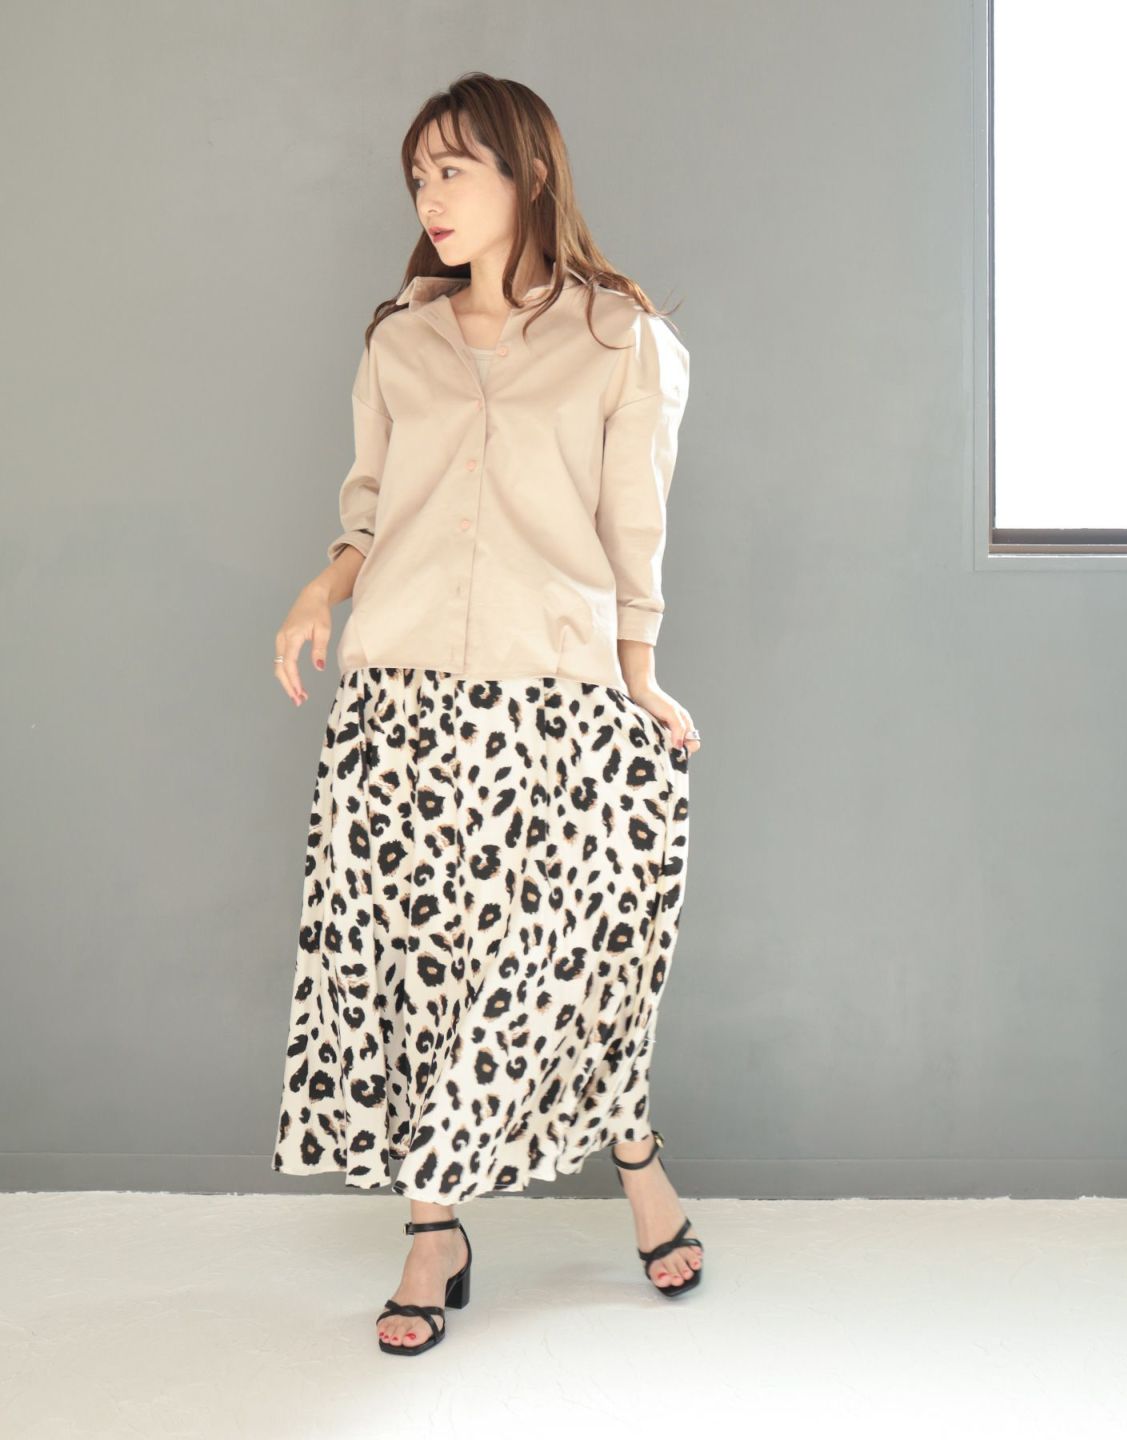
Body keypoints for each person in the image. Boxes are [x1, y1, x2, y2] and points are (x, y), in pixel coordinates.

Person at [269, 71, 703, 1356]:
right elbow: (370, 501)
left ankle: (633, 1151)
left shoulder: (622, 340)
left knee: (562, 964)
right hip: (398, 699)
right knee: (416, 974)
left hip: (551, 702)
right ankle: (433, 1230)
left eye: (454, 169)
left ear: (530, 173)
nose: (431, 196)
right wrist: (322, 586)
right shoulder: (397, 342)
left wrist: (639, 672)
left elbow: (635, 525)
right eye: (419, 176)